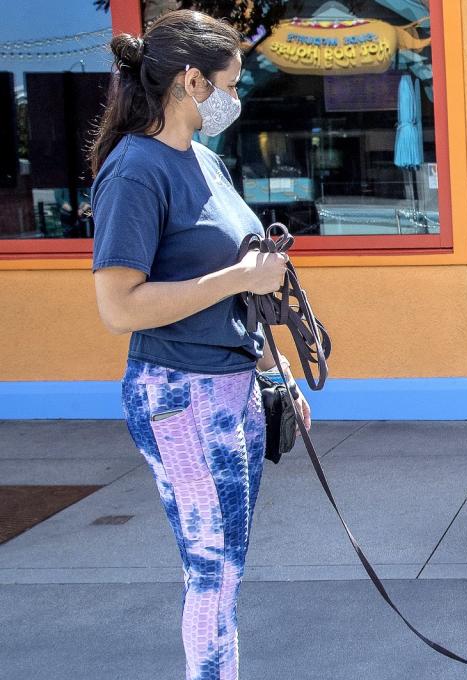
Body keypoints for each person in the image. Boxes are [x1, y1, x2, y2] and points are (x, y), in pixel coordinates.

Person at [89, 10, 311, 679]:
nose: (233, 98)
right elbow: (118, 307)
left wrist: (280, 374)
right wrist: (240, 276)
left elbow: (243, 291)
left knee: (226, 567)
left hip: (234, 387)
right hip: (177, 396)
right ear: (191, 81)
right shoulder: (134, 172)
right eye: (229, 83)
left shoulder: (205, 161)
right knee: (211, 569)